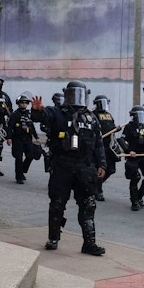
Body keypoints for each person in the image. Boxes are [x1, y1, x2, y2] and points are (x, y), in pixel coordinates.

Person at [30, 81, 107, 255]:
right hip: (62, 165)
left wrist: (102, 163)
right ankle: (53, 238)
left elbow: (98, 143)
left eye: (80, 94)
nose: (77, 98)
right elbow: (41, 116)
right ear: (67, 94)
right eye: (73, 94)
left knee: (88, 205)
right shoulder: (57, 112)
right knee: (57, 204)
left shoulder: (91, 117)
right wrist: (37, 110)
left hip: (84, 167)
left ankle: (89, 244)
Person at [121, 105, 144, 212]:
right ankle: (134, 201)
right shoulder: (129, 127)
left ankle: (139, 196)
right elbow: (122, 140)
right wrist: (129, 151)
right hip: (134, 156)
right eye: (139, 115)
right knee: (135, 178)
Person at [7, 92, 39, 184]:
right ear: (18, 103)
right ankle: (19, 177)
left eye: (25, 103)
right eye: (22, 102)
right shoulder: (14, 115)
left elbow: (32, 126)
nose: (23, 104)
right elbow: (9, 127)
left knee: (30, 155)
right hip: (17, 139)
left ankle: (22, 170)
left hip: (28, 138)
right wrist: (9, 138)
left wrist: (36, 136)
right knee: (19, 158)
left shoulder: (29, 114)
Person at [93, 95, 120, 201]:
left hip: (108, 146)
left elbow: (111, 127)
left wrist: (115, 129)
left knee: (111, 169)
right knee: (101, 168)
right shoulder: (94, 114)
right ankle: (98, 191)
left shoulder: (109, 115)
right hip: (99, 145)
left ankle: (95, 185)